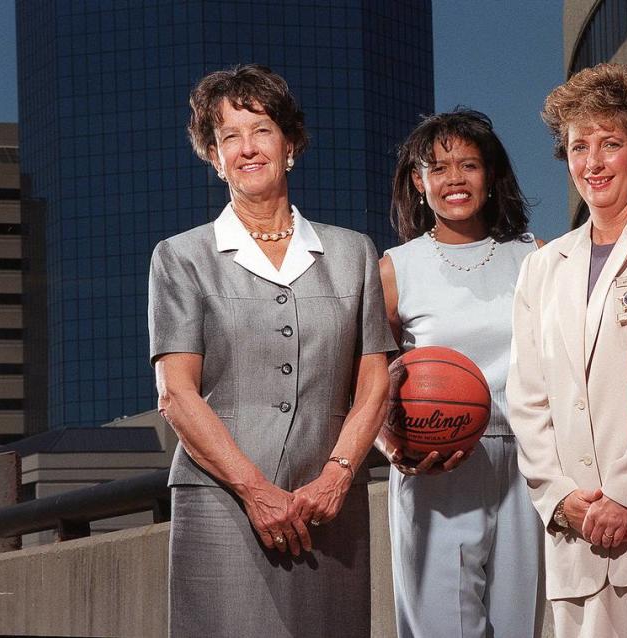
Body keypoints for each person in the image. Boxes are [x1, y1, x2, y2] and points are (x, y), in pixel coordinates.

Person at [148, 64, 395, 638]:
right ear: (214, 156)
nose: (246, 148)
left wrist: (336, 477)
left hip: (328, 510)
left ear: (291, 144)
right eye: (228, 136)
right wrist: (255, 491)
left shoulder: (353, 253)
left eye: (260, 129)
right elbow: (177, 395)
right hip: (222, 507)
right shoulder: (181, 258)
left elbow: (374, 383)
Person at [506, 64, 627, 637]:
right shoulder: (542, 265)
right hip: (574, 534)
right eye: (578, 146)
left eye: (610, 143)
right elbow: (527, 398)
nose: (592, 162)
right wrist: (561, 499)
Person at [374, 109, 544, 638]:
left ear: (491, 177)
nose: (454, 179)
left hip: (526, 458)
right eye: (438, 167)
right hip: (436, 458)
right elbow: (366, 377)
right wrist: (387, 442)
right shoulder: (395, 268)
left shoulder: (534, 257)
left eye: (468, 165)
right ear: (418, 182)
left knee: (519, 627)